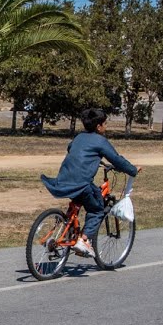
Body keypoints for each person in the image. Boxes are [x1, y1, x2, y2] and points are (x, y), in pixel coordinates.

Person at [40, 108, 139, 258]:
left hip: (63, 179)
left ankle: (67, 227)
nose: (106, 127)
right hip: (81, 183)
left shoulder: (79, 137)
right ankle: (84, 240)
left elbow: (71, 148)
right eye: (105, 124)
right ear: (99, 126)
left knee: (79, 202)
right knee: (97, 208)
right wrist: (133, 170)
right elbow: (116, 159)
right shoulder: (100, 141)